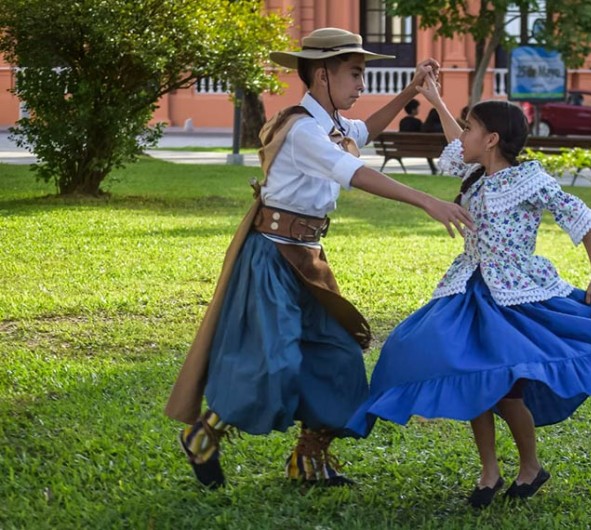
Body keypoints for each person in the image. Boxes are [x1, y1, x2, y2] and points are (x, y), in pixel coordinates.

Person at [346, 75, 591, 508]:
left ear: (492, 139)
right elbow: (456, 143)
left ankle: (530, 466)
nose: (464, 135)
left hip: (515, 294)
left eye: (471, 127)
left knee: (505, 389)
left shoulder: (529, 180)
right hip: (468, 289)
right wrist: (435, 97)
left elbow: (581, 218)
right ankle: (489, 471)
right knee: (465, 373)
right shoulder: (474, 171)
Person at [164, 27, 473, 490]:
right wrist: (426, 201)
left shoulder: (333, 125)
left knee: (340, 356)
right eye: (355, 73)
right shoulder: (302, 131)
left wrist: (412, 91)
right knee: (273, 362)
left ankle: (308, 459)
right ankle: (204, 434)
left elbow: (365, 132)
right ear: (323, 74)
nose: (362, 84)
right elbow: (352, 170)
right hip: (270, 258)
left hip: (308, 260)